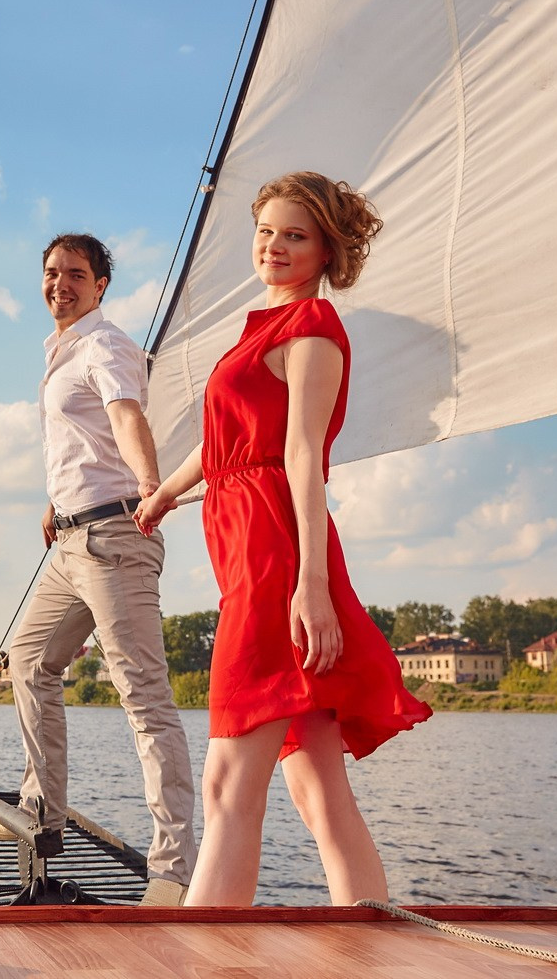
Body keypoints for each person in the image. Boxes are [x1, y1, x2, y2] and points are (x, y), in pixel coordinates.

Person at [135, 172, 432, 906]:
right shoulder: (261, 327)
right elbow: (225, 439)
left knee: (227, 782)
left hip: (275, 552)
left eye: (293, 235)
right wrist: (166, 492)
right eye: (265, 230)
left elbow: (301, 455)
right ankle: (365, 942)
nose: (272, 245)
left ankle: (200, 953)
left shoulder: (311, 331)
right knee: (316, 786)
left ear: (326, 249)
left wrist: (310, 585)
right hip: (244, 543)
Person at [0, 233, 196, 905]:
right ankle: (41, 812)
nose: (60, 283)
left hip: (115, 539)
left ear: (100, 285)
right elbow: (82, 440)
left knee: (143, 698)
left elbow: (124, 415)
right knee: (27, 659)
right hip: (72, 539)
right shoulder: (63, 350)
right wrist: (57, 500)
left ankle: (173, 869)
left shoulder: (105, 345)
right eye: (51, 272)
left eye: (75, 274)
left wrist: (151, 484)